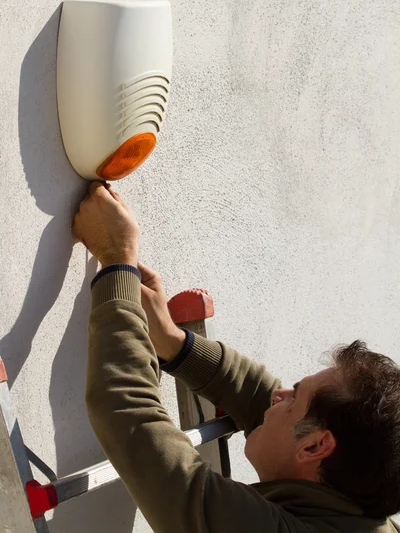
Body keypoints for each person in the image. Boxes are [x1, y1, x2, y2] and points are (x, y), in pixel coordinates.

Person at [73, 181, 400, 533]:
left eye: (292, 401)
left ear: (317, 445)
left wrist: (117, 259)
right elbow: (262, 398)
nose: (278, 395)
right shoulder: (360, 511)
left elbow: (128, 417)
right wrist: (173, 342)